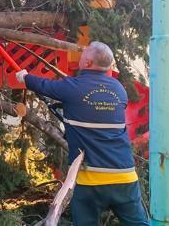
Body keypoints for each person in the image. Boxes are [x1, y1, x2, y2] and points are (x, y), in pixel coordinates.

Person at [16, 41, 148, 226]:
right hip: (125, 176)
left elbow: (45, 86)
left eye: (83, 55)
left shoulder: (73, 87)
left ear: (87, 64)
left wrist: (25, 78)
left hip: (90, 180)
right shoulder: (119, 90)